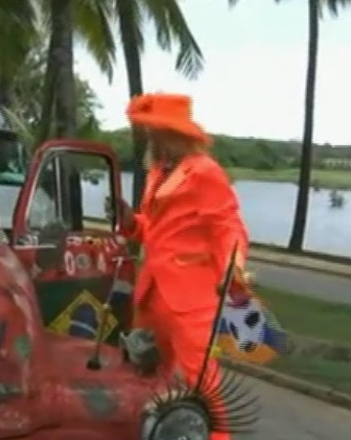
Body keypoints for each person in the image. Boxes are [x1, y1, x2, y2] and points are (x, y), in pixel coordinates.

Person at [116, 93, 249, 439]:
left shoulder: (205, 173)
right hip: (152, 291)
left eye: (156, 131)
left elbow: (228, 226)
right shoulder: (159, 172)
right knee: (144, 367)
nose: (151, 138)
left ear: (177, 134)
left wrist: (232, 267)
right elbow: (157, 231)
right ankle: (154, 430)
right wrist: (131, 222)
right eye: (148, 131)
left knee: (201, 381)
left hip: (191, 297)